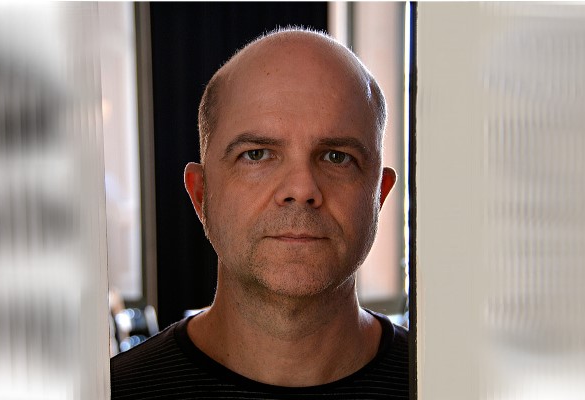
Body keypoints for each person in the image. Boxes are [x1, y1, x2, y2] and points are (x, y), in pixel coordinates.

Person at [110, 28, 408, 399]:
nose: (301, 189)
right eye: (256, 155)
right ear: (201, 194)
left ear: (379, 195)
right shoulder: (107, 393)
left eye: (337, 157)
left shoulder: (447, 384)